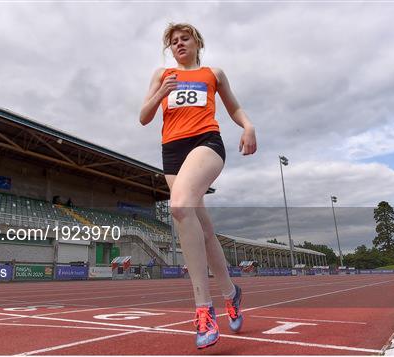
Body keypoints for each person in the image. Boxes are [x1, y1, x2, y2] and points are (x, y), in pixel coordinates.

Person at [139, 23, 257, 349]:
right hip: (172, 151)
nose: (179, 44)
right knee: (203, 230)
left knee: (179, 206)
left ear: (196, 42)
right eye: (173, 41)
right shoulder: (162, 75)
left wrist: (248, 126)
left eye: (184, 39)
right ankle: (231, 293)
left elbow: (233, 106)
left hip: (206, 141)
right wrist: (161, 93)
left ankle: (203, 309)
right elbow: (143, 116)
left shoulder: (213, 73)